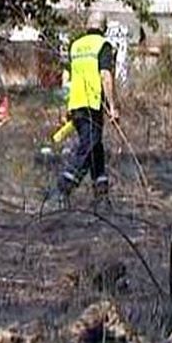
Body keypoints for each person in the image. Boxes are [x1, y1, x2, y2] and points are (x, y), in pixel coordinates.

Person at [53, 11, 118, 204]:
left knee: (95, 147)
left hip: (76, 104)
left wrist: (66, 106)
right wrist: (112, 106)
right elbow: (105, 76)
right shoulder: (103, 46)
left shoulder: (76, 46)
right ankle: (62, 188)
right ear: (104, 28)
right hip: (92, 104)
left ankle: (101, 193)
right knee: (87, 146)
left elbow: (68, 78)